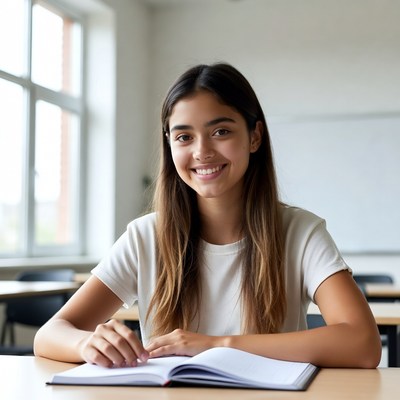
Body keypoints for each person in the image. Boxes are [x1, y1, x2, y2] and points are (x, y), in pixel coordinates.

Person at [34, 62, 381, 368]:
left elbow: (362, 344)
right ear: (170, 145)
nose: (202, 152)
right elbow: (49, 335)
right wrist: (87, 343)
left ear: (255, 136)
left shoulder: (299, 232)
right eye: (184, 137)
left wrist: (216, 346)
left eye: (221, 131)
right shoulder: (146, 236)